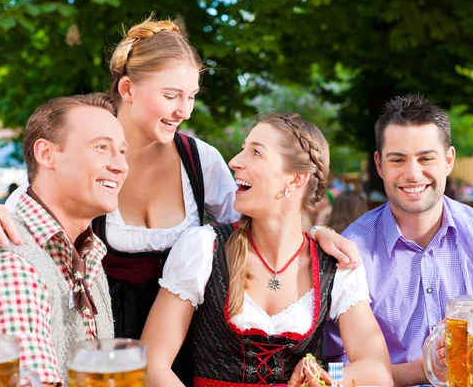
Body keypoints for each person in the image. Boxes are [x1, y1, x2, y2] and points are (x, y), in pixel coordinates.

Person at [0, 16, 360, 385]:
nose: (184, 110)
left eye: (191, 96)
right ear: (127, 88)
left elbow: (262, 221)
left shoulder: (200, 161)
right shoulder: (86, 162)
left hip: (176, 353)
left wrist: (316, 233)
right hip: (97, 342)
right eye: (171, 95)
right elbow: (27, 221)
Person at [141, 114, 393, 387]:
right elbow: (151, 364)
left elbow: (377, 370)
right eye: (242, 149)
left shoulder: (334, 264)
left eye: (256, 153)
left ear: (296, 180)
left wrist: (326, 379)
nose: (234, 162)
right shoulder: (203, 247)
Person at [323, 94, 473, 386]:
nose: (413, 173)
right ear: (379, 165)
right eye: (398, 160)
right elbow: (332, 372)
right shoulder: (352, 248)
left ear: (448, 160)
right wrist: (423, 370)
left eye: (426, 158)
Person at [0, 93, 127, 385]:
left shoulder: (88, 254)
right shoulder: (13, 255)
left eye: (122, 151)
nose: (121, 165)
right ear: (46, 154)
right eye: (102, 147)